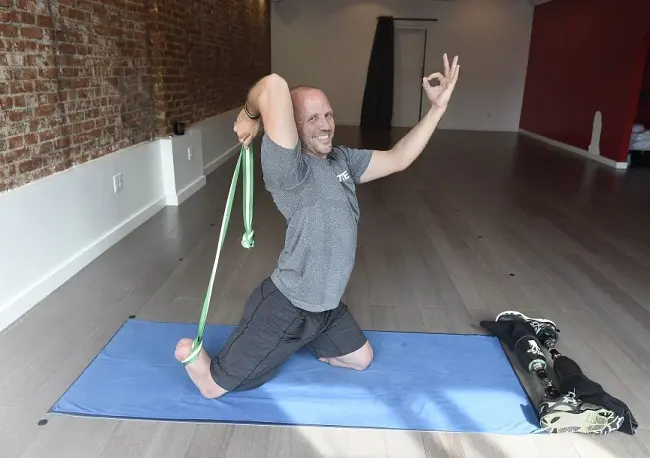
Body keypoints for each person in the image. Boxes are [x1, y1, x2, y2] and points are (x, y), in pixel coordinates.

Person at [175, 53, 460, 399]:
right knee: (213, 387)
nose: (325, 125)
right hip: (286, 306)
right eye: (312, 118)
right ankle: (193, 354)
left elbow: (398, 158)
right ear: (292, 128)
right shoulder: (288, 168)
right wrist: (250, 114)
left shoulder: (342, 159)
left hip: (326, 307)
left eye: (328, 115)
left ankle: (305, 340)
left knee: (362, 359)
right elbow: (273, 86)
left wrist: (437, 109)